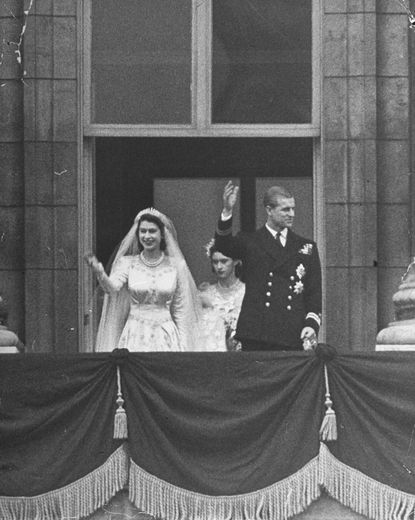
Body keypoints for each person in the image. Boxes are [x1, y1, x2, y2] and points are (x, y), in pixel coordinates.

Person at [214, 181, 322, 351]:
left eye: (293, 209)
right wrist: (227, 211)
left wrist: (311, 324)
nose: (291, 214)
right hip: (257, 333)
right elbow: (223, 245)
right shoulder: (250, 241)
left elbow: (314, 293)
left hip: (292, 332)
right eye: (285, 209)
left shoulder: (306, 247)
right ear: (269, 210)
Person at [85, 208, 205, 352]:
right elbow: (111, 288)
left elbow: (181, 309)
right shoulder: (127, 263)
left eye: (152, 231)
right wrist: (100, 272)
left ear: (162, 234)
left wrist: (185, 348)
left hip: (166, 336)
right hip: (135, 334)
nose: (147, 236)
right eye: (143, 231)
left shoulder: (176, 265)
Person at [198, 239, 245, 351]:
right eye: (215, 262)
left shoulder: (247, 292)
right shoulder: (205, 294)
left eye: (224, 261)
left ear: (235, 262)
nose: (219, 266)